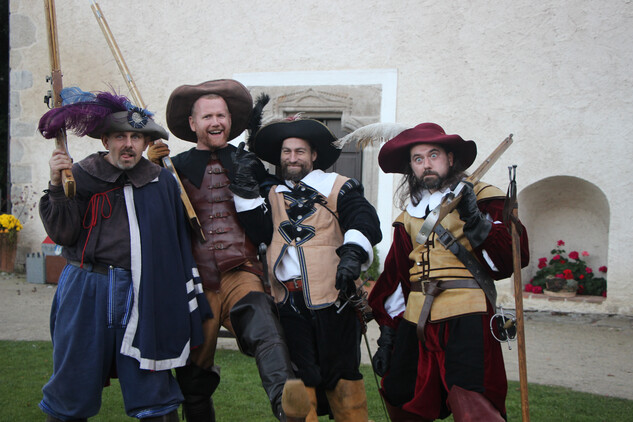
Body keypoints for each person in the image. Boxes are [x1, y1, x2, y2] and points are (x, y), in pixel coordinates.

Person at [37, 89, 212, 422]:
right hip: (87, 287)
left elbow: (174, 244)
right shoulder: (81, 175)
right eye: (120, 136)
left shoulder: (161, 182)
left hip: (144, 291)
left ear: (145, 143)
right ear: (106, 140)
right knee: (72, 381)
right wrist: (57, 185)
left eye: (136, 137)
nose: (128, 144)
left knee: (154, 388)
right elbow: (63, 234)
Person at [147, 79, 306, 422]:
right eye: (207, 116)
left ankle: (286, 403)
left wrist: (252, 191)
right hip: (194, 281)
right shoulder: (172, 168)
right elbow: (153, 219)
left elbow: (270, 225)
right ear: (193, 123)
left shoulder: (251, 164)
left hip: (241, 271)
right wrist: (151, 172)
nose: (215, 122)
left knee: (264, 327)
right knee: (194, 375)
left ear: (230, 121)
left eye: (221, 115)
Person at [367, 122, 529, 421]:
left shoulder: (483, 197)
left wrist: (473, 217)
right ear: (411, 167)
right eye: (418, 159)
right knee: (400, 393)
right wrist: (388, 336)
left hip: (467, 314)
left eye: (433, 155)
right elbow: (398, 277)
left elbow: (510, 258)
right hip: (416, 316)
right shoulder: (409, 216)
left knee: (472, 400)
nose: (426, 164)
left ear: (450, 158)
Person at [231, 116, 382, 421]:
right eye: (286, 152)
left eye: (300, 151)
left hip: (335, 299)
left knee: (344, 379)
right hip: (288, 304)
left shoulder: (338, 186)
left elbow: (363, 218)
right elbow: (258, 231)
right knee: (298, 383)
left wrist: (352, 253)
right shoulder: (270, 194)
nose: (292, 158)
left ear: (313, 155)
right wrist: (244, 187)